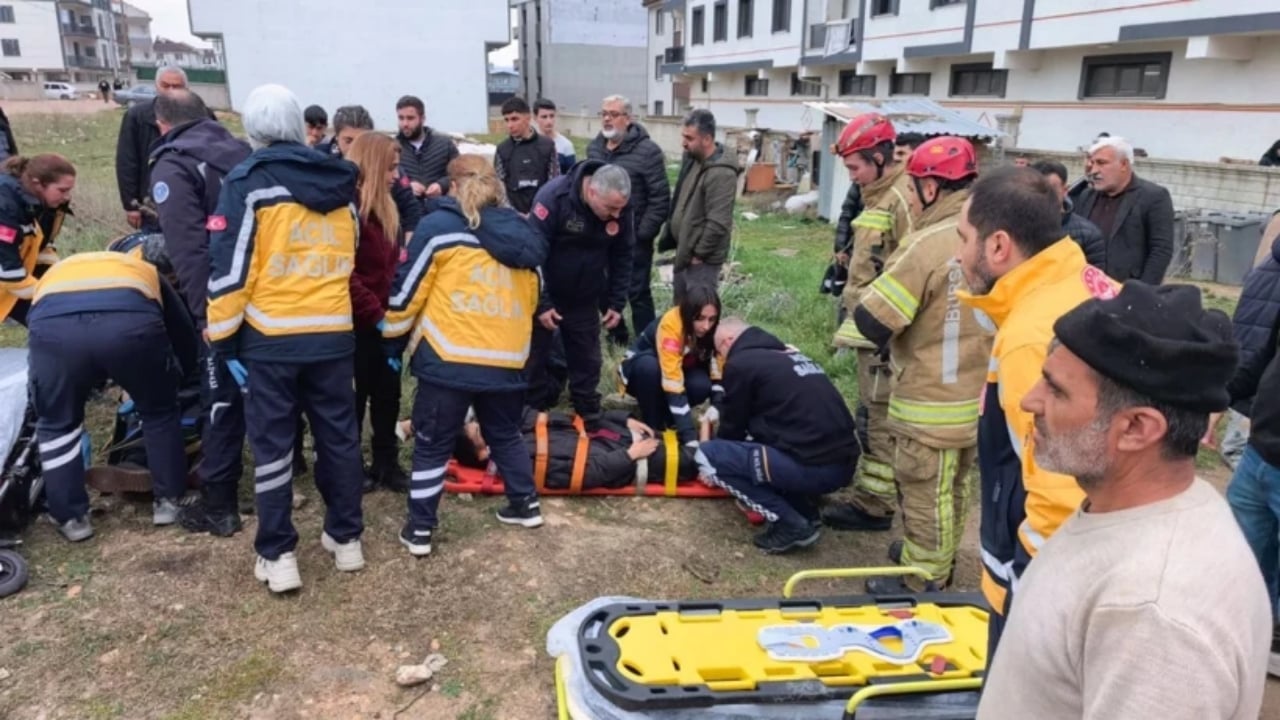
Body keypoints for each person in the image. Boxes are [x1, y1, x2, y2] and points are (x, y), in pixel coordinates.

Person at [977, 283, 1270, 720]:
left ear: (1136, 428)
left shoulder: (1154, 615)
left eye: (1056, 391)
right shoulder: (1126, 514)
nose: (1029, 400)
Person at [206, 84, 366, 593]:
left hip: (271, 337)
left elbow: (231, 270)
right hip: (334, 334)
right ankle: (346, 541)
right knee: (339, 438)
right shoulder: (342, 184)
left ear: (252, 130)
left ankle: (278, 555)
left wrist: (223, 336)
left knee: (273, 445)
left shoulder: (247, 184)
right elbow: (351, 255)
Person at [954, 165, 1119, 658]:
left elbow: (1062, 489)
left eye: (964, 239)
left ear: (999, 246)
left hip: (1042, 586)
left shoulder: (1032, 335)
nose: (958, 254)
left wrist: (1034, 599)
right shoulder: (1085, 281)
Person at [382, 155, 547, 556]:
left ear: (452, 187)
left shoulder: (438, 228)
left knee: (433, 442)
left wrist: (391, 339)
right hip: (507, 357)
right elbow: (534, 296)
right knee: (504, 433)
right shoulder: (523, 233)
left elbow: (408, 292)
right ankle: (526, 505)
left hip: (449, 355)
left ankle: (420, 530)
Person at [849, 137, 991, 594]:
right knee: (952, 488)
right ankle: (936, 560)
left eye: (913, 188)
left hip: (928, 399)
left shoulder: (929, 244)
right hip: (975, 398)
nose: (909, 197)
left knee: (924, 490)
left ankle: (920, 582)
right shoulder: (995, 238)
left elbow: (873, 319)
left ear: (931, 187)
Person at [29, 249, 198, 542]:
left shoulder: (57, 273)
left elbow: (36, 329)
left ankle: (71, 518)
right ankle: (168, 501)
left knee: (56, 423)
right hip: (131, 326)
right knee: (159, 410)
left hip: (55, 331)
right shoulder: (144, 271)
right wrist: (182, 376)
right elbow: (182, 330)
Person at [148, 89, 252, 536]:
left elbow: (187, 249)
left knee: (221, 399)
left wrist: (206, 317)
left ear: (161, 125)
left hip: (220, 299)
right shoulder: (243, 153)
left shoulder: (174, 164)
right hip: (266, 295)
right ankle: (280, 476)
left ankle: (219, 504)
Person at [820, 113, 914, 533]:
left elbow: (912, 267)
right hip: (869, 325)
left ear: (880, 157)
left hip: (885, 332)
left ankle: (875, 505)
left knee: (878, 415)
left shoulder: (902, 201)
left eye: (856, 167)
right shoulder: (878, 195)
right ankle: (873, 494)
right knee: (869, 411)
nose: (852, 176)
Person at [698, 317, 860, 553]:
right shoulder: (789, 355)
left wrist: (714, 463)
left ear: (728, 341)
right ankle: (804, 511)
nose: (721, 358)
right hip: (843, 466)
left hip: (814, 470)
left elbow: (733, 428)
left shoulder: (741, 363)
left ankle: (790, 524)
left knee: (711, 455)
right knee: (764, 443)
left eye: (719, 351)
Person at [524, 161, 634, 428]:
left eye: (621, 209)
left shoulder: (619, 206)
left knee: (587, 358)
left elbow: (623, 255)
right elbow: (532, 256)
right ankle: (531, 412)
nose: (617, 216)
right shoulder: (553, 198)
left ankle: (587, 411)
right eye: (610, 209)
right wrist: (543, 303)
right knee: (534, 356)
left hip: (585, 296)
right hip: (547, 292)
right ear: (592, 192)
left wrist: (616, 302)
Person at [1224, 230, 1280, 677]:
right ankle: (1242, 647)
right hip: (1260, 452)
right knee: (1239, 563)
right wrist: (1218, 396)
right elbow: (1262, 351)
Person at [345, 131, 408, 494]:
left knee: (388, 393)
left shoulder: (387, 209)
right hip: (355, 322)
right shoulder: (348, 210)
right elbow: (346, 274)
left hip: (385, 320)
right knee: (354, 398)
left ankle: (386, 461)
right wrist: (376, 315)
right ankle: (349, 464)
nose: (395, 177)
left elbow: (390, 269)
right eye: (390, 169)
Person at [586, 95, 670, 345]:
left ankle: (646, 343)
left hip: (635, 239)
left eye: (613, 114)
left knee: (638, 292)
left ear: (628, 118)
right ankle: (617, 339)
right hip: (601, 236)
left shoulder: (647, 151)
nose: (607, 118)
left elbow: (660, 197)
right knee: (604, 289)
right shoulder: (595, 148)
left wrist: (642, 234)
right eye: (604, 113)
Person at [452, 408, 698, 490]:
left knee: (685, 442)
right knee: (693, 461)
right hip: (620, 462)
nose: (485, 425)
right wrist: (631, 455)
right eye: (478, 431)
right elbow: (587, 475)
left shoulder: (519, 429)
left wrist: (622, 419)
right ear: (484, 453)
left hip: (608, 439)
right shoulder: (524, 462)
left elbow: (578, 422)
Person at [619, 284, 721, 445]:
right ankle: (653, 424)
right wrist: (689, 437)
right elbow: (672, 381)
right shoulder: (671, 326)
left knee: (701, 385)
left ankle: (669, 418)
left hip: (678, 371)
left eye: (712, 319)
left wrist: (717, 405)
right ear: (688, 314)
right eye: (700, 318)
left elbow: (718, 371)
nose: (706, 326)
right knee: (649, 368)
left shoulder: (714, 331)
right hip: (641, 372)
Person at [658, 109, 737, 303]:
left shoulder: (722, 173)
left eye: (689, 138)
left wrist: (698, 256)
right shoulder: (693, 160)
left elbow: (718, 223)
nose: (683, 142)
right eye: (683, 136)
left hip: (701, 262)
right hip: (685, 253)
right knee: (681, 313)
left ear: (707, 139)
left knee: (698, 316)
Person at [1074, 136, 1174, 284]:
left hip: (1127, 292)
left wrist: (1142, 293)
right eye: (1093, 163)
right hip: (1085, 290)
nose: (1094, 170)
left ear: (1124, 164)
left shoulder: (1153, 197)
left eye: (1102, 163)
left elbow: (1161, 251)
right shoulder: (1086, 196)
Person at [114, 66, 197, 231]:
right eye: (166, 86)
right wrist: (131, 205)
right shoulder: (137, 117)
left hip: (192, 202)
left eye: (177, 86)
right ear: (157, 86)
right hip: (151, 205)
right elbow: (127, 161)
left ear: (187, 89)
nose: (171, 91)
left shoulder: (201, 115)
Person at [326, 105, 421, 241]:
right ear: (336, 138)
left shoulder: (391, 171)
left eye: (361, 141)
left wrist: (407, 250)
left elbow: (412, 210)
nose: (355, 147)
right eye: (348, 141)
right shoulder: (325, 166)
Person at [0, 154, 73, 327]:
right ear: (37, 184)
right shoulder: (5, 209)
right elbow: (9, 272)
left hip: (12, 277)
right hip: (10, 276)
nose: (67, 197)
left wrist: (63, 278)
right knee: (51, 320)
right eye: (62, 190)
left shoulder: (35, 204)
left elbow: (39, 248)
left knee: (53, 319)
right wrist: (50, 292)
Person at [1032, 159, 1105, 268]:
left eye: (1051, 190)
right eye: (1036, 190)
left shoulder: (1088, 235)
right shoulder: (1013, 229)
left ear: (1065, 190)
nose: (1043, 197)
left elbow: (1093, 280)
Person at [494, 96, 559, 214]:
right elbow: (498, 187)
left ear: (528, 118)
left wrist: (537, 212)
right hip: (513, 217)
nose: (510, 125)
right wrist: (514, 214)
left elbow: (554, 184)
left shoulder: (548, 146)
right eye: (506, 120)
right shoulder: (502, 149)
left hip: (543, 214)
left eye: (514, 119)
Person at [395, 95, 458, 201]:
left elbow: (460, 174)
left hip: (440, 209)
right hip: (407, 211)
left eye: (410, 118)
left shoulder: (444, 145)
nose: (405, 124)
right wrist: (407, 185)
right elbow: (383, 179)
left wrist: (442, 185)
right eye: (401, 118)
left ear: (422, 119)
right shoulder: (392, 148)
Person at [533, 98, 576, 175]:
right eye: (544, 117)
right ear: (535, 118)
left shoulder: (566, 145)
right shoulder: (530, 144)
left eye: (551, 116)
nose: (549, 121)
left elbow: (571, 176)